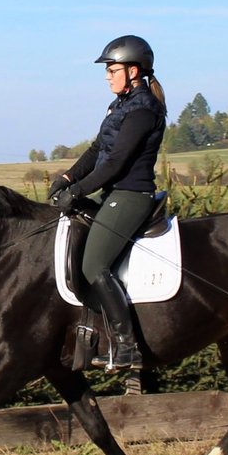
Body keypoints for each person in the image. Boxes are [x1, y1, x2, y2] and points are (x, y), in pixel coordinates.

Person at [48, 35, 167, 371]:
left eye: (112, 69)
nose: (107, 76)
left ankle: (128, 347)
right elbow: (95, 150)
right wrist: (68, 178)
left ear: (133, 71)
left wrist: (78, 192)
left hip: (131, 195)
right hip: (112, 195)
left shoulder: (143, 110)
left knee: (93, 265)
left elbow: (115, 162)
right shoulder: (121, 106)